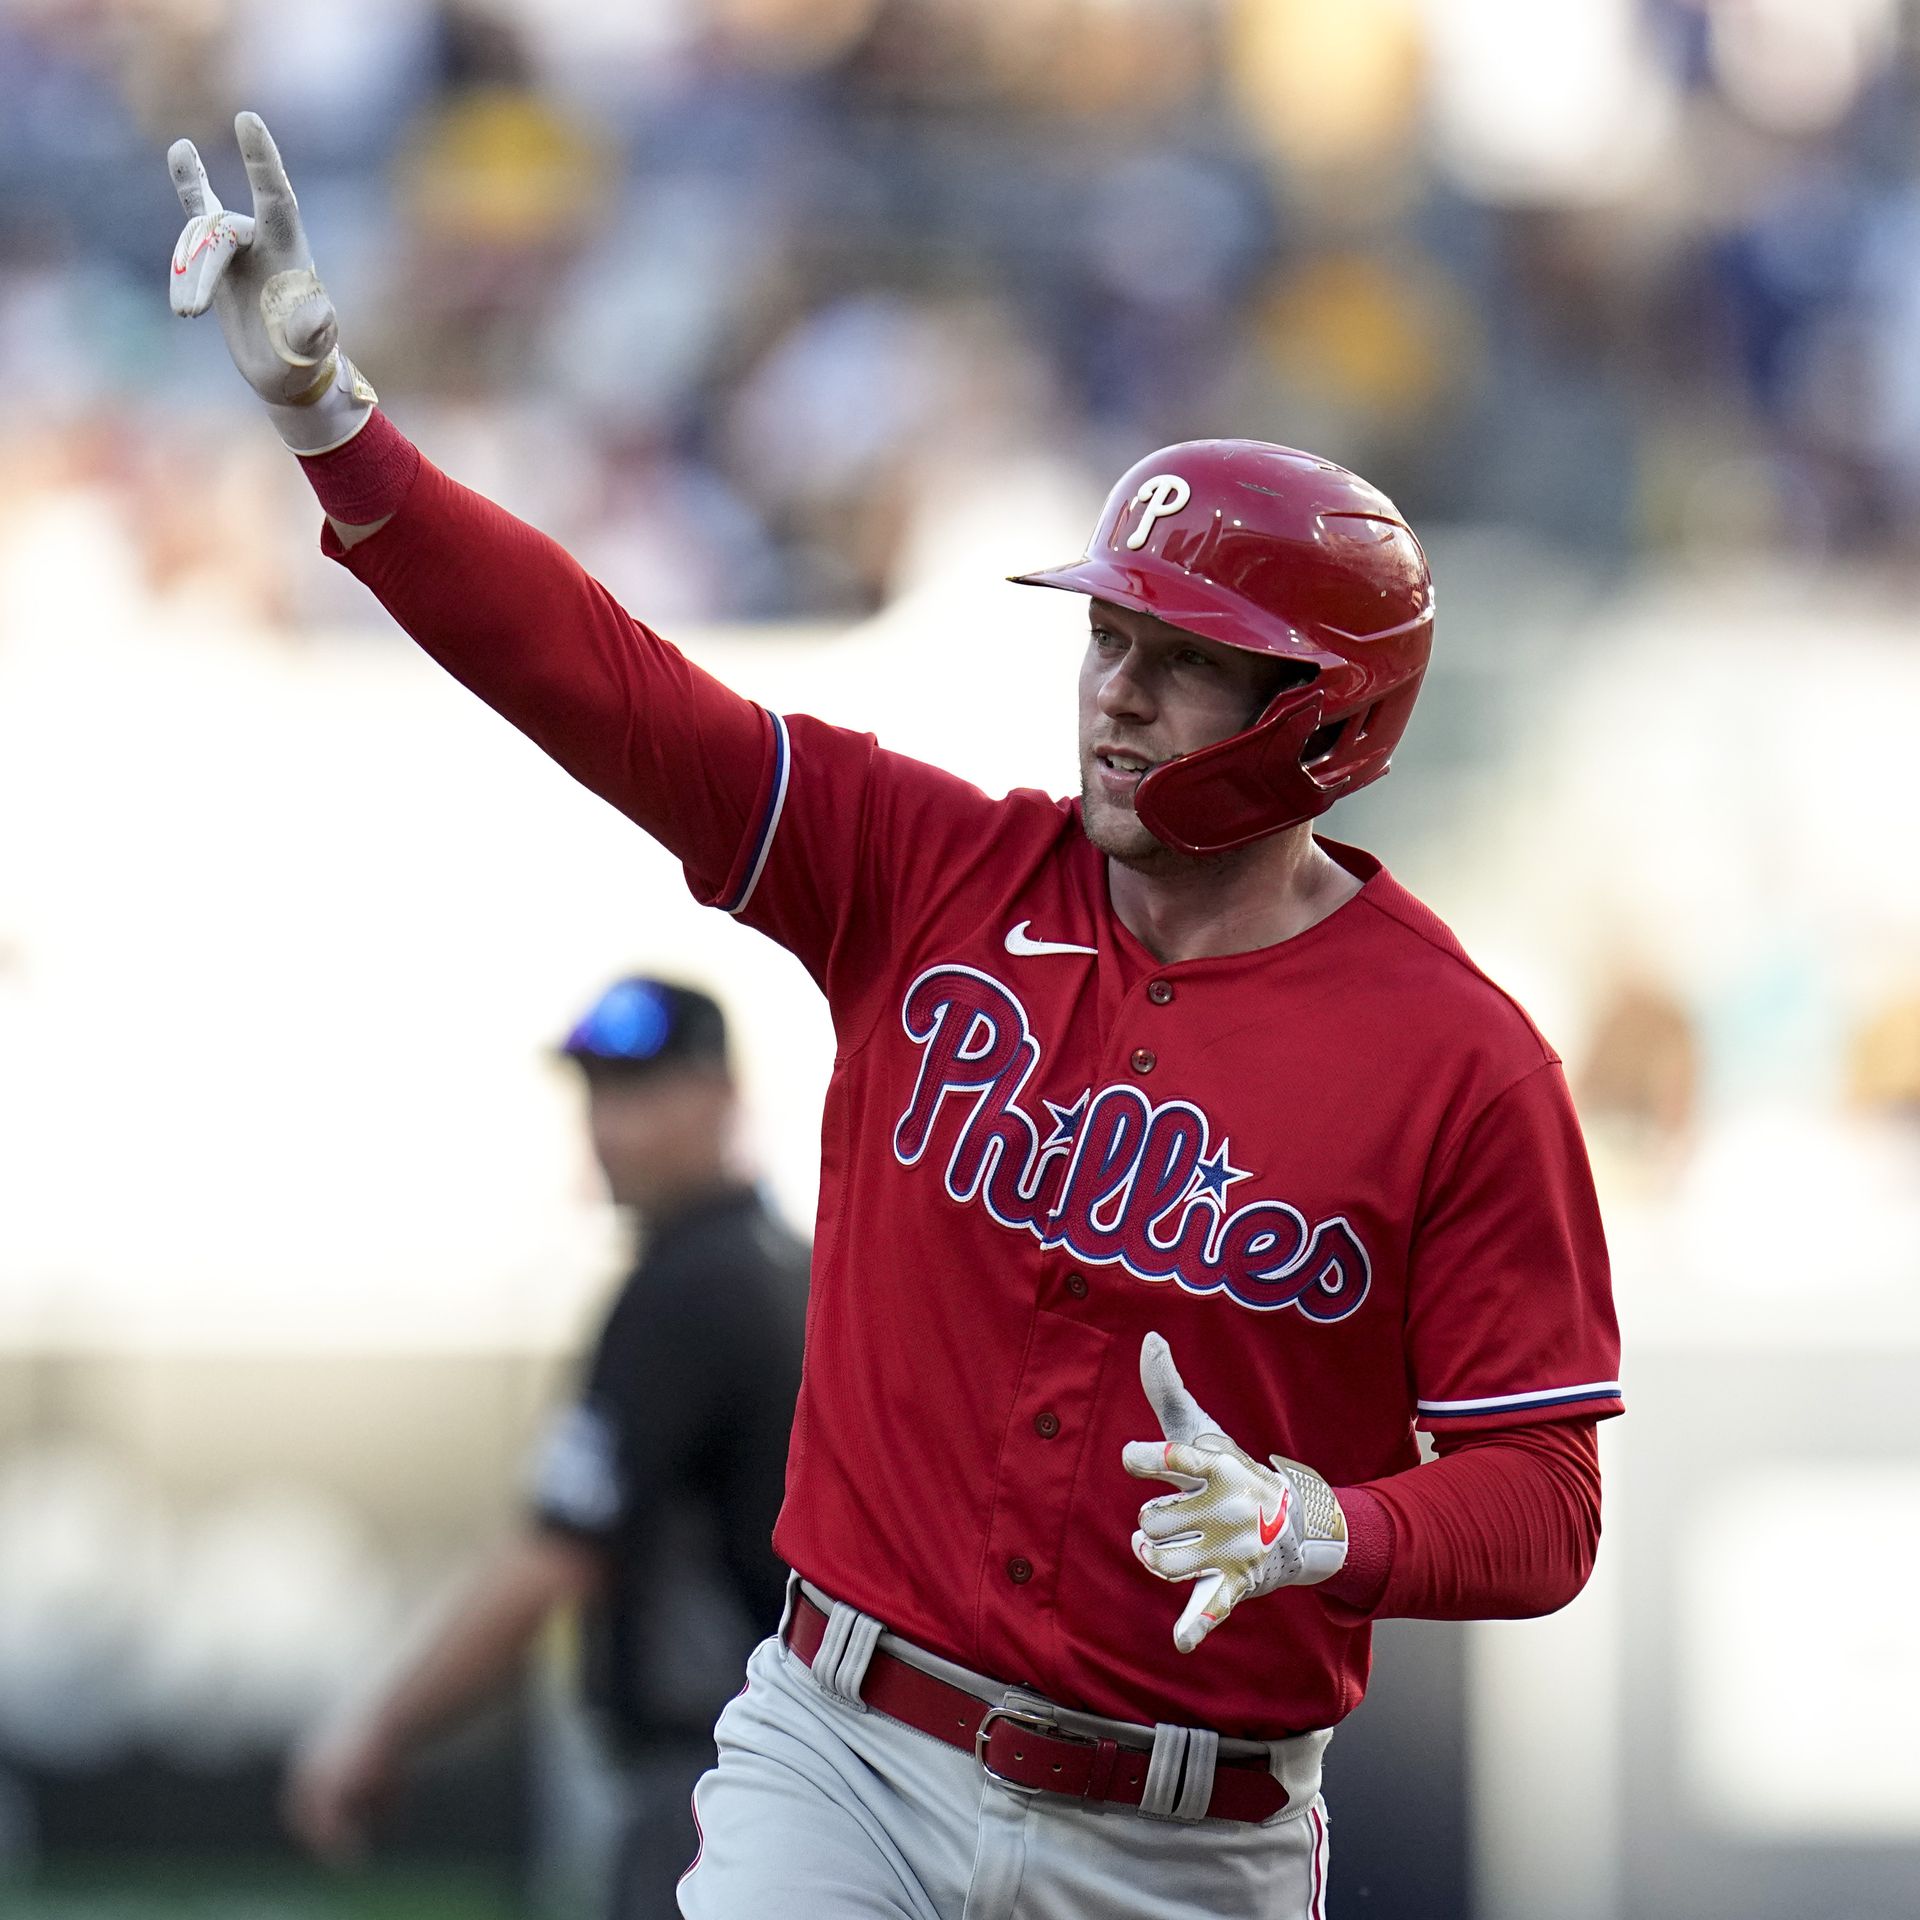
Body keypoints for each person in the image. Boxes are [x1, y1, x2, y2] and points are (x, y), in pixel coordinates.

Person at [175, 114, 1621, 1918]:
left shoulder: (1459, 1061)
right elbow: (612, 691)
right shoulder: (922, 868)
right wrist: (340, 433)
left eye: (1187, 662)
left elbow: (1547, 1498)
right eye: (1112, 642)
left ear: (1326, 715)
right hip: (843, 1754)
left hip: (1188, 1837)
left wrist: (1342, 1528)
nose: (1120, 695)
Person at [283, 976, 807, 1919]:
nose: (610, 1128)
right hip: (794, 1788)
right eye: (599, 1096)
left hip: (712, 1786)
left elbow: (553, 1557)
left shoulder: (691, 1289)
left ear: (720, 1098)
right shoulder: (785, 1267)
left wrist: (377, 1732)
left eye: (641, 1094)